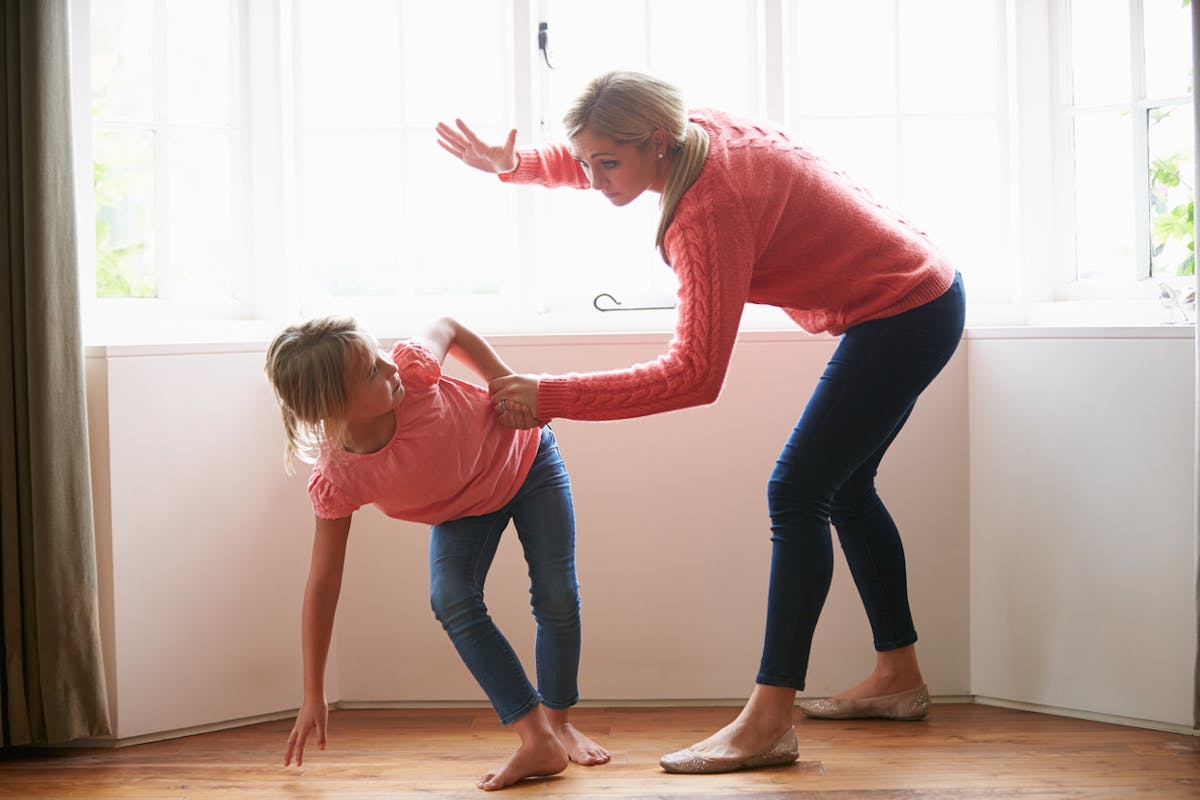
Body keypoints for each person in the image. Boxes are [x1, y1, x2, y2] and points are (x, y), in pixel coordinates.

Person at [436, 70, 966, 774]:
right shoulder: (691, 132)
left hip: (904, 314)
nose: (594, 180)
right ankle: (899, 678)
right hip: (919, 294)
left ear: (656, 142)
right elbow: (593, 151)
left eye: (608, 164)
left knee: (797, 492)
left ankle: (768, 721)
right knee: (842, 489)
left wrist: (548, 394)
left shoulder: (706, 212)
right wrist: (519, 165)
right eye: (587, 161)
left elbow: (693, 377)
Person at [264, 315, 610, 791]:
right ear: (334, 405)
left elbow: (449, 326)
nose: (390, 367)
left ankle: (560, 719)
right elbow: (322, 583)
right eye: (371, 372)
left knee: (556, 595)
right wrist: (312, 692)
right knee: (450, 597)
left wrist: (507, 387)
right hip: (465, 510)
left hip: (527, 462)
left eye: (380, 353)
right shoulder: (341, 476)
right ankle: (537, 741)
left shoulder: (413, 371)